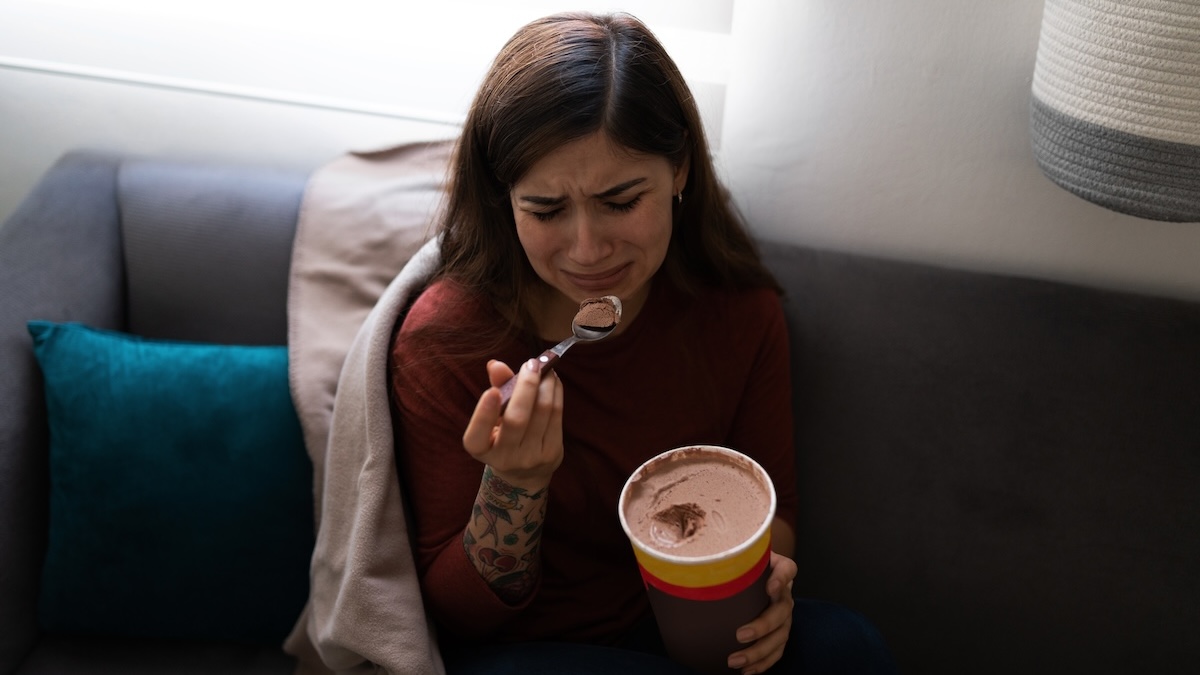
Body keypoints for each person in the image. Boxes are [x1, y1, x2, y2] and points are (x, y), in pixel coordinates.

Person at [390, 11, 896, 675]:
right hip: (527, 652)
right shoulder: (448, 340)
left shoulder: (738, 314)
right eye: (545, 210)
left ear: (679, 168)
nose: (587, 248)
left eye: (621, 200)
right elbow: (459, 617)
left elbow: (778, 516)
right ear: (503, 198)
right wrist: (514, 484)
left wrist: (768, 589)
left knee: (847, 646)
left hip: (680, 625)